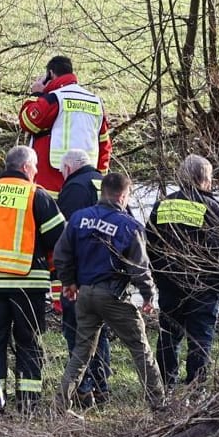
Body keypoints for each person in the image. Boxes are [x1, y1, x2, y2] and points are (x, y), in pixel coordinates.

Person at [52, 172, 165, 412]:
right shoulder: (129, 226)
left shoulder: (78, 218)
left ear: (101, 192)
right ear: (124, 196)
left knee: (81, 352)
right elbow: (139, 268)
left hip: (85, 295)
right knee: (139, 347)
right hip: (113, 296)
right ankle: (160, 405)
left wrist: (69, 282)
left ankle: (61, 404)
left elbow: (61, 254)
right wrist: (148, 296)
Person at [0, 145, 67, 411]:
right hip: (28, 285)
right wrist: (59, 279)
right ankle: (29, 405)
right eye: (35, 167)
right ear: (25, 167)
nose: (36, 172)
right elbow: (61, 240)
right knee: (29, 344)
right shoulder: (36, 195)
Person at [148, 155, 219, 387]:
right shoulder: (211, 207)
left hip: (170, 282)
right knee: (200, 337)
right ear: (205, 179)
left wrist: (159, 277)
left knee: (169, 334)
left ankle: (166, 385)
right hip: (203, 285)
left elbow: (149, 246)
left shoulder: (163, 204)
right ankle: (197, 387)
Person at [56, 149, 112, 408]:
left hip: (80, 277)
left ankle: (83, 388)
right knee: (100, 333)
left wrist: (65, 277)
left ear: (68, 168)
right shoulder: (106, 182)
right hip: (109, 276)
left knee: (77, 333)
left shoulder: (73, 187)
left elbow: (65, 236)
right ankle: (102, 387)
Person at [19, 55, 110, 194]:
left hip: (51, 183)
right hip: (88, 185)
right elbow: (104, 144)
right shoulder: (96, 102)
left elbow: (27, 122)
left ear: (50, 74)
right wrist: (100, 180)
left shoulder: (54, 99)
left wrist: (36, 94)